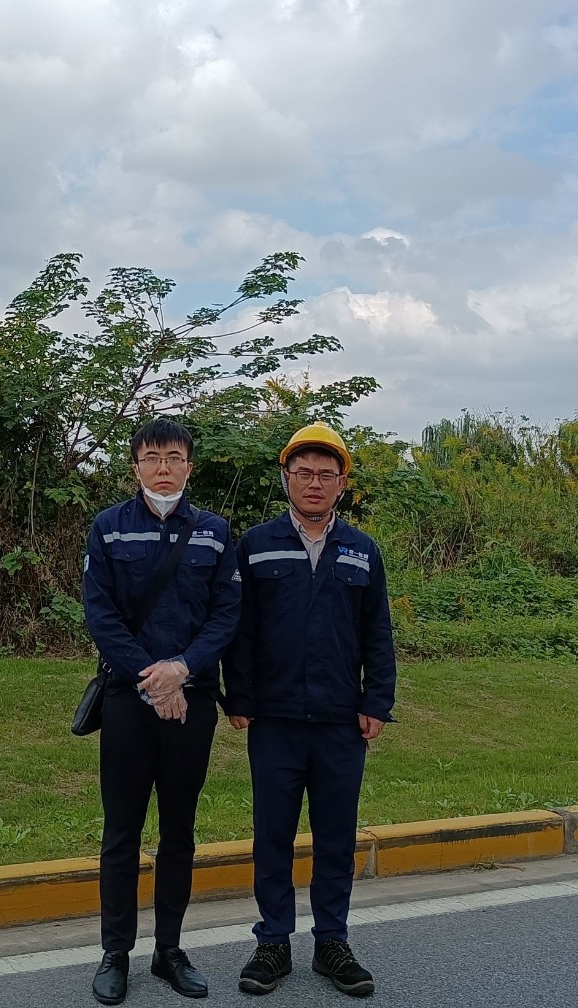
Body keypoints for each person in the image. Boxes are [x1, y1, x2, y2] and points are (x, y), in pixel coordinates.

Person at [223, 422, 397, 998]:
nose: (314, 483)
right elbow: (240, 630)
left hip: (340, 722)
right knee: (272, 835)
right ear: (287, 478)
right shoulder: (256, 544)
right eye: (304, 473)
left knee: (335, 838)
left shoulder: (362, 550)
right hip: (273, 721)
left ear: (342, 483)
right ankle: (273, 942)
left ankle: (332, 943)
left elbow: (377, 634)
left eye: (326, 474)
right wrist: (240, 696)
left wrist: (377, 701)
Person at [82, 419, 240, 1004]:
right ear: (136, 467)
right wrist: (153, 677)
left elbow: (226, 615)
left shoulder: (215, 533)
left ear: (190, 467)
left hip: (191, 699)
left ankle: (169, 950)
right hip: (128, 697)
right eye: (152, 457)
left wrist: (182, 669)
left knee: (179, 831)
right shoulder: (108, 527)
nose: (164, 467)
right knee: (121, 832)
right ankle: (115, 953)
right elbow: (101, 616)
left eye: (175, 457)